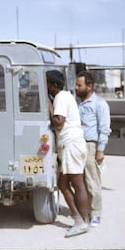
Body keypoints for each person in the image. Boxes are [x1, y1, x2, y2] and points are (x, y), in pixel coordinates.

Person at [46, 70, 89, 238]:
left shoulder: (61, 97)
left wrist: (49, 106)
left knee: (77, 184)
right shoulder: (63, 96)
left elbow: (59, 123)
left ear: (54, 85)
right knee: (63, 185)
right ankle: (79, 218)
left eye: (47, 84)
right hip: (69, 145)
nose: (46, 87)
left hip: (71, 144)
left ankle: (82, 222)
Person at [75, 71, 111, 227]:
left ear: (89, 86)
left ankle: (96, 213)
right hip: (76, 145)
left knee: (92, 181)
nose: (76, 88)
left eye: (79, 85)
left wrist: (100, 150)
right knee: (79, 182)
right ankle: (85, 210)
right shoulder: (76, 102)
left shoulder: (100, 104)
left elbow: (104, 129)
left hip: (90, 146)